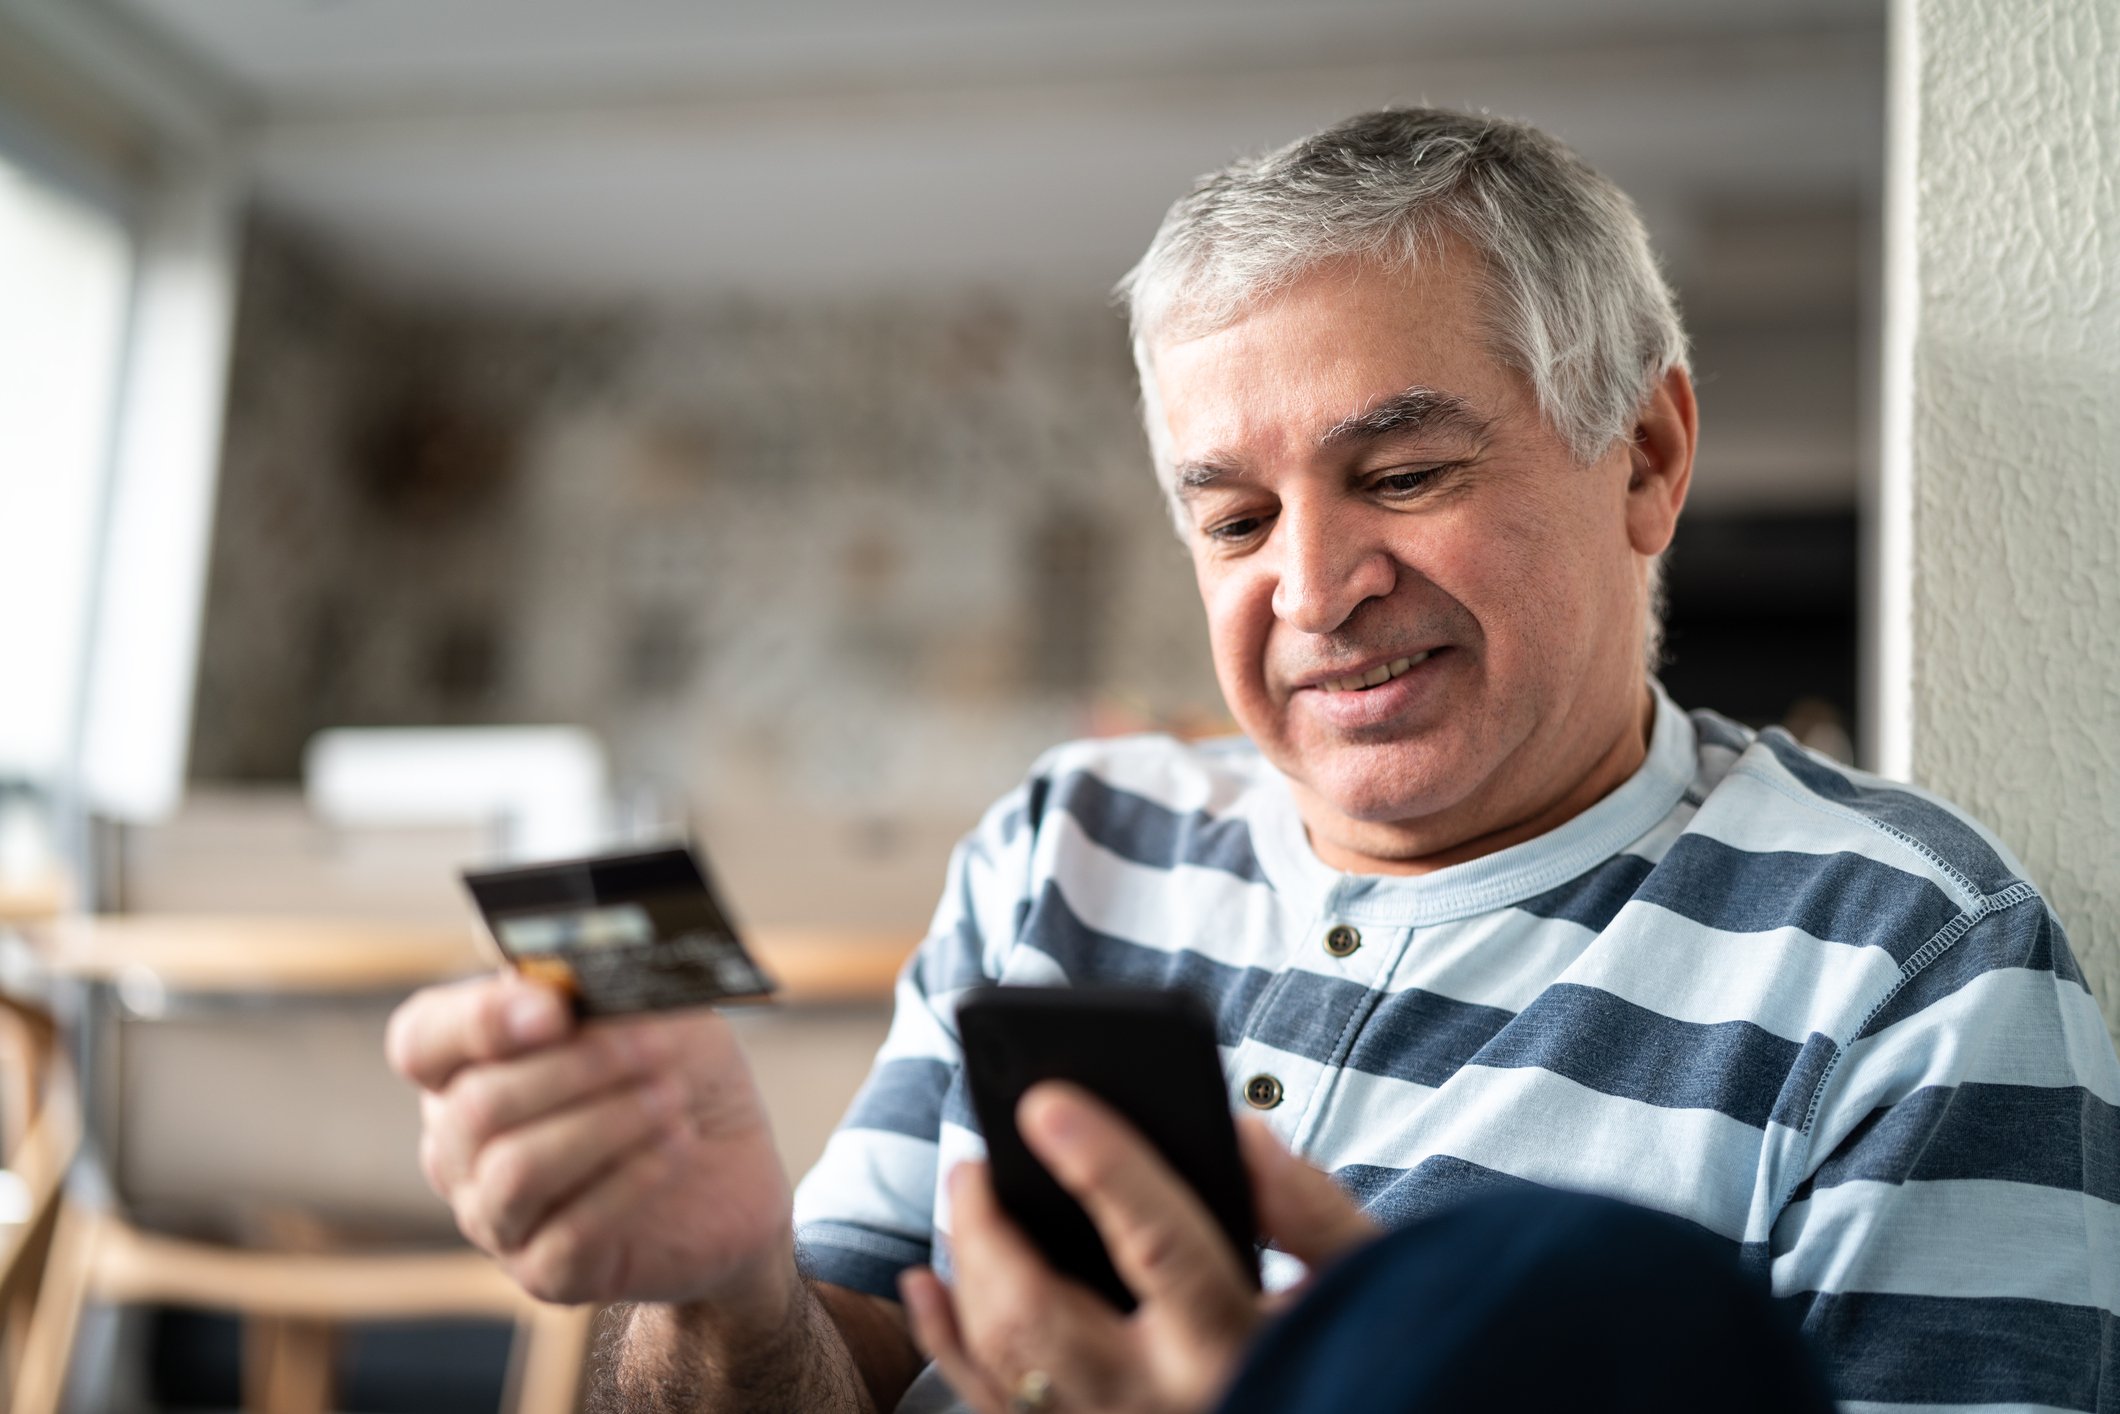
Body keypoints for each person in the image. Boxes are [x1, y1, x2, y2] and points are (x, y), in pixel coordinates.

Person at [386, 107, 2120, 1413]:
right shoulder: (1068, 841)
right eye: (1233, 513)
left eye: (1404, 471)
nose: (1314, 587)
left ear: (1647, 457)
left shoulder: (1921, 966)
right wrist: (711, 1283)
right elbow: (802, 1374)